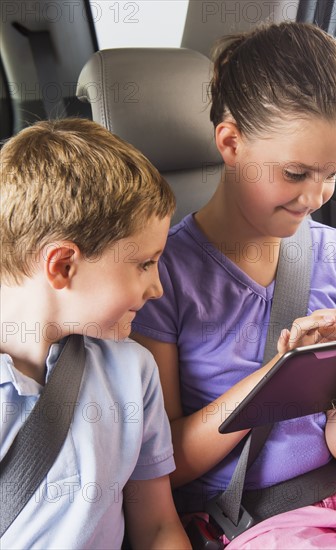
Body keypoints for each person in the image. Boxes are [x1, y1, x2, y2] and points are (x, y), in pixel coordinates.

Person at [132, 22, 336, 549]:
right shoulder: (160, 275)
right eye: (295, 173)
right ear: (231, 142)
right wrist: (275, 380)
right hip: (251, 516)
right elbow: (161, 465)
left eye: (333, 173)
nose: (316, 195)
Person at [0, 118, 191, 549]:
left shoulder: (132, 371)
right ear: (63, 265)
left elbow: (158, 526)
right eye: (144, 263)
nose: (157, 288)